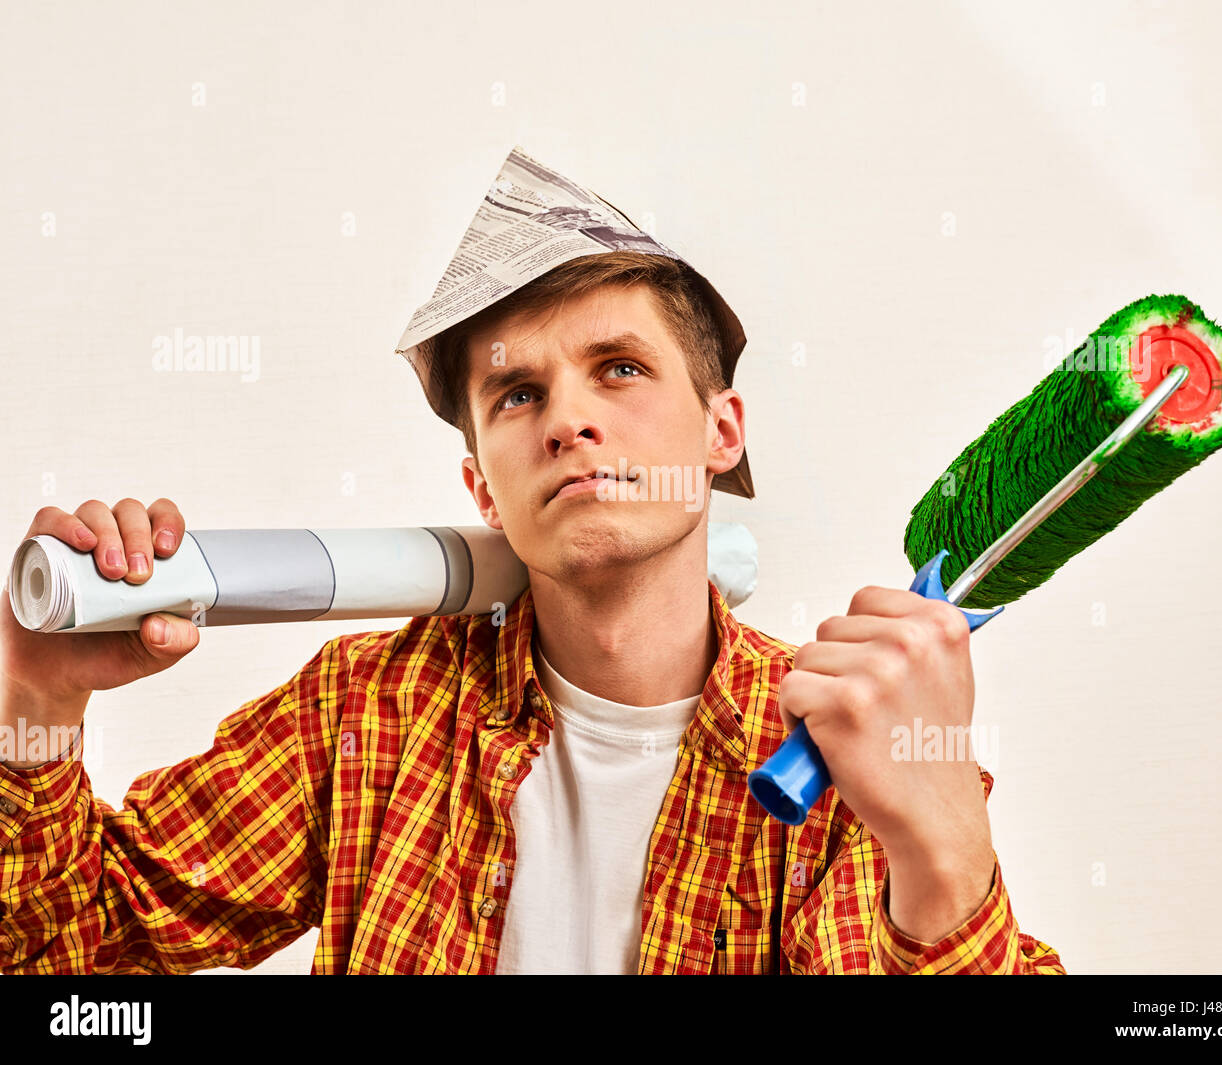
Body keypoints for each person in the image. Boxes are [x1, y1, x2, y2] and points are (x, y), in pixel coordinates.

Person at [0, 250, 1065, 974]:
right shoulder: (368, 713)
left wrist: (944, 859)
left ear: (720, 431)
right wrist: (32, 709)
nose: (568, 422)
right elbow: (78, 963)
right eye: (518, 394)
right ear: (481, 488)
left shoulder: (845, 758)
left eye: (620, 369)